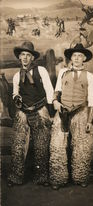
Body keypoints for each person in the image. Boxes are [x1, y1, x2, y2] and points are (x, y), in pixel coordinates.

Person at [49, 43, 93, 190]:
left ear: (84, 59)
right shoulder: (63, 72)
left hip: (80, 112)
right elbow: (57, 91)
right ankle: (58, 178)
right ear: (71, 58)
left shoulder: (89, 76)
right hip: (63, 112)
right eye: (74, 55)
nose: (76, 58)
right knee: (57, 145)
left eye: (80, 56)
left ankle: (80, 176)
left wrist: (89, 120)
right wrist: (55, 102)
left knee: (82, 146)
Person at [7, 41, 54, 187]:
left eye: (28, 55)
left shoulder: (41, 71)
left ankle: (41, 177)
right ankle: (16, 177)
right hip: (23, 111)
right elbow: (15, 92)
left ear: (32, 58)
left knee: (41, 144)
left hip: (40, 109)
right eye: (23, 55)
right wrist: (17, 98)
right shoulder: (17, 76)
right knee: (18, 144)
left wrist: (51, 114)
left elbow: (50, 92)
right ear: (19, 57)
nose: (25, 58)